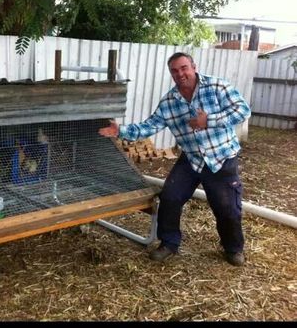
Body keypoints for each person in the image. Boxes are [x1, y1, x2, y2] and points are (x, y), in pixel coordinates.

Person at [98, 52, 251, 265]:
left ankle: (233, 248)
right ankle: (169, 243)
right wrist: (120, 130)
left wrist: (210, 120)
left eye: (184, 68)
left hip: (221, 157)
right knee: (170, 196)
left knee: (226, 207)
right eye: (175, 70)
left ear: (193, 67)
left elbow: (243, 110)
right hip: (192, 159)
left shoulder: (217, 87)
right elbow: (149, 127)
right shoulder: (169, 102)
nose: (180, 74)